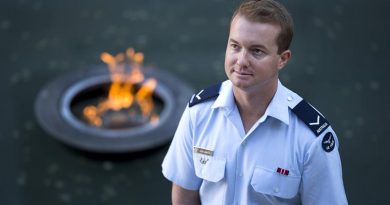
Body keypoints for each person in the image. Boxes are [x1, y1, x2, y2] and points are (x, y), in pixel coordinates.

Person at [162, 0, 348, 204]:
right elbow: (184, 194)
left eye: (256, 51)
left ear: (283, 59)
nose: (241, 61)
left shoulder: (310, 138)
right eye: (235, 46)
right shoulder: (198, 113)